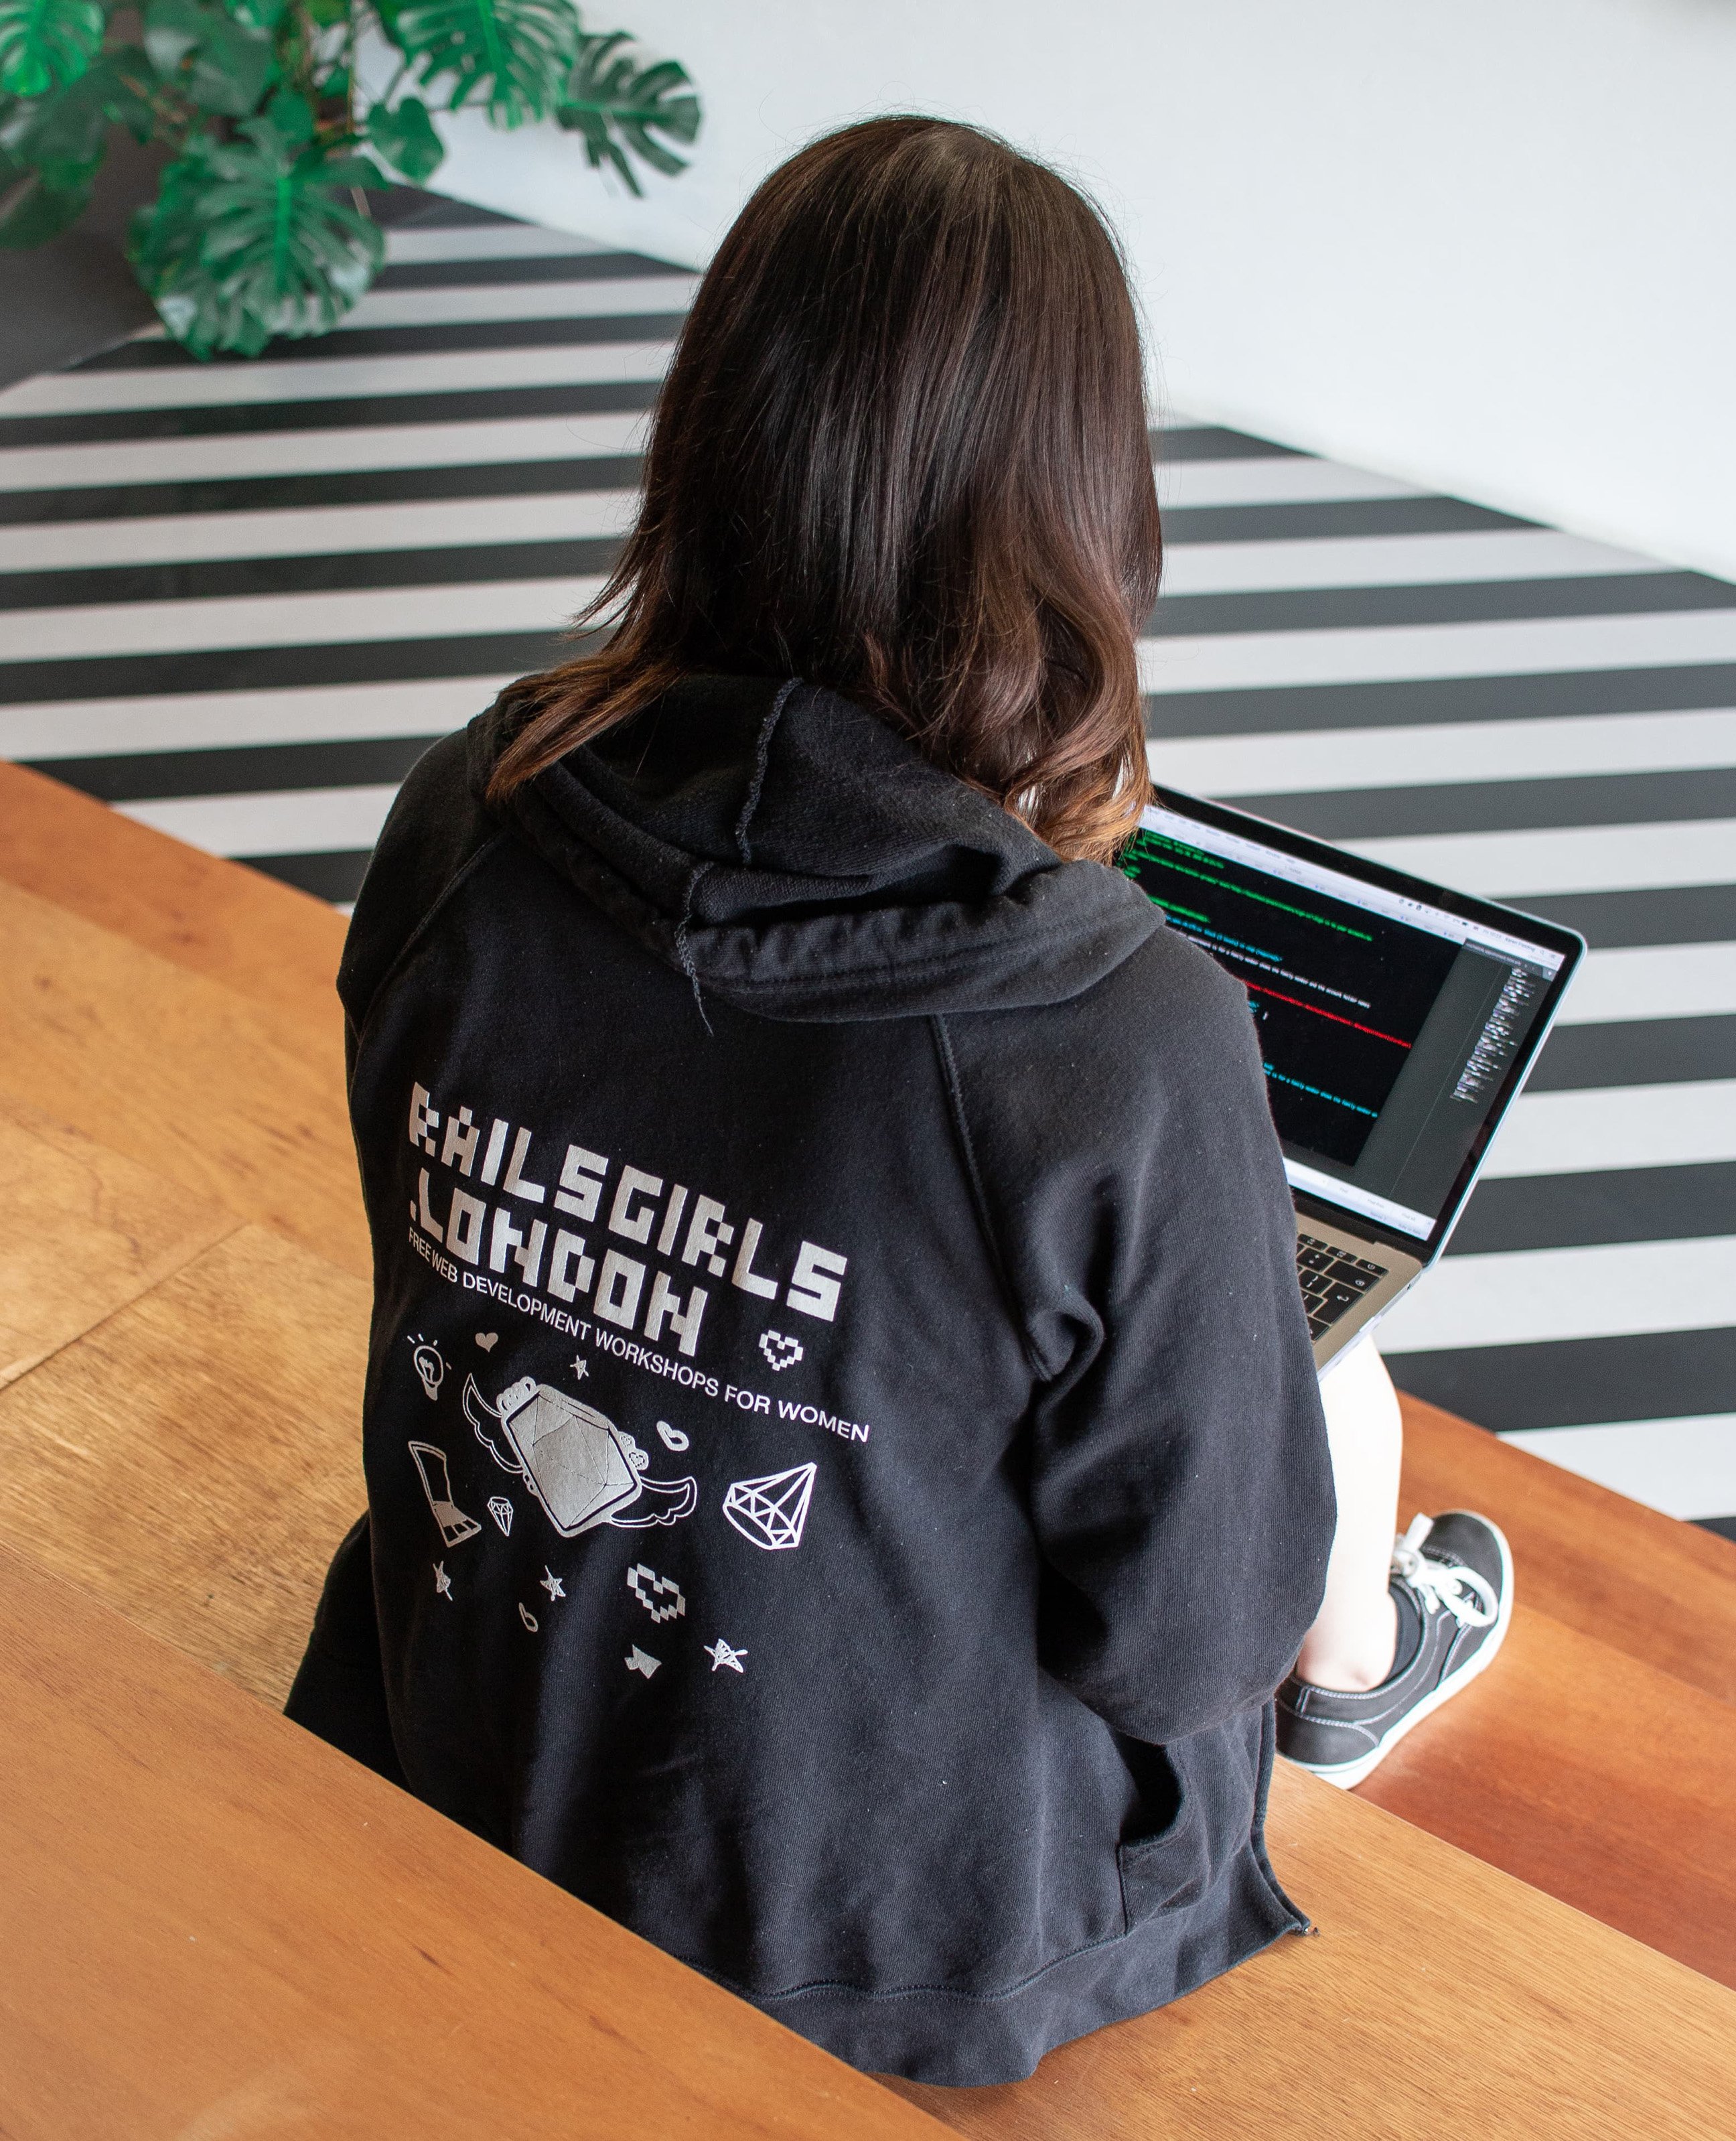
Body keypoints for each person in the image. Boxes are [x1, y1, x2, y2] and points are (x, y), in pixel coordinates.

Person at [287, 115, 1510, 2087]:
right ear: (1084, 516)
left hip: (467, 1727)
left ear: (711, 433)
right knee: (1319, 1421)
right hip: (876, 1943)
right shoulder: (1123, 1035)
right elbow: (1176, 1654)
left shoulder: (466, 809)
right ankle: (1371, 1652)